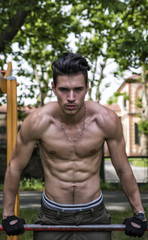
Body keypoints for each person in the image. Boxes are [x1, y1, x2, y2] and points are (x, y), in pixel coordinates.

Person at [2, 52, 147, 240]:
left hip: (94, 215)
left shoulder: (105, 120)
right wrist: (8, 214)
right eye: (64, 89)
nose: (71, 97)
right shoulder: (38, 121)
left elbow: (122, 168)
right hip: (52, 216)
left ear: (87, 87)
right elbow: (15, 167)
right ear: (53, 88)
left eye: (78, 89)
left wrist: (139, 213)